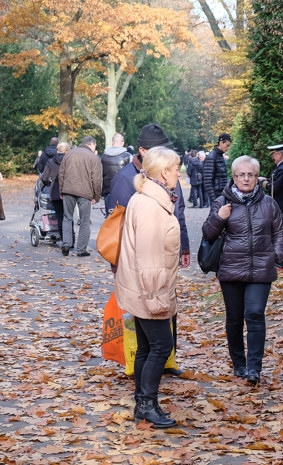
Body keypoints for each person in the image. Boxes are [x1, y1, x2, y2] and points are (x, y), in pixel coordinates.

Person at [106, 123, 189, 376]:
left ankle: (163, 366)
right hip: (145, 275)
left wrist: (184, 247)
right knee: (151, 335)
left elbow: (179, 214)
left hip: (161, 269)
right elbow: (117, 226)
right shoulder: (126, 181)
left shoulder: (165, 183)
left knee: (160, 331)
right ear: (143, 152)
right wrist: (118, 265)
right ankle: (144, 380)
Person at [202, 155, 283, 385]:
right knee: (235, 319)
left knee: (255, 314)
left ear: (257, 177)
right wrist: (219, 218)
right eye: (241, 175)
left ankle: (254, 368)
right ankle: (239, 364)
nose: (246, 179)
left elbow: (280, 231)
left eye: (250, 174)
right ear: (234, 177)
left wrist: (276, 254)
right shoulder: (222, 202)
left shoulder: (269, 203)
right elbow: (208, 234)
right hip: (230, 269)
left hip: (261, 268)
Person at [114, 146, 181, 428]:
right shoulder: (151, 205)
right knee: (162, 345)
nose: (179, 173)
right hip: (149, 290)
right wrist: (156, 296)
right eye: (176, 169)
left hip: (140, 288)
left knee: (146, 347)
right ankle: (147, 405)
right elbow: (150, 258)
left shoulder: (147, 198)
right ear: (164, 173)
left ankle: (142, 404)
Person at [58, 136, 102, 257]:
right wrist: (96, 196)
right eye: (95, 146)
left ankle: (66, 244)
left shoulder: (69, 154)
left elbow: (61, 173)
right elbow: (96, 179)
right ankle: (81, 249)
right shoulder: (93, 157)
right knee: (84, 221)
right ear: (92, 144)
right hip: (85, 193)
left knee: (67, 217)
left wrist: (61, 190)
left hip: (68, 190)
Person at [41, 142, 71, 241]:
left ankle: (64, 239)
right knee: (68, 216)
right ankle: (70, 240)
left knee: (59, 216)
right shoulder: (69, 160)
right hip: (68, 190)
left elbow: (44, 177)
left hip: (55, 190)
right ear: (66, 151)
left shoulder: (50, 161)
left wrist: (48, 183)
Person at [259, 144, 283, 218]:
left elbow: (274, 188)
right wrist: (266, 179)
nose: (272, 158)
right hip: (278, 204)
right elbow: (277, 180)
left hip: (279, 204)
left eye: (273, 155)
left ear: (279, 155)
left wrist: (262, 182)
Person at [101, 133, 131, 214]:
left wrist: (101, 192)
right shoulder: (128, 156)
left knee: (109, 217)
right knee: (123, 217)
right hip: (124, 192)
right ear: (122, 143)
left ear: (112, 142)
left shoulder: (103, 156)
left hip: (108, 191)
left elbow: (100, 176)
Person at [203, 133, 231, 203]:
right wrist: (214, 199)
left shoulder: (220, 156)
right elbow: (207, 180)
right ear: (221, 143)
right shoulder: (212, 156)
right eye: (227, 145)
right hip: (216, 196)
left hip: (221, 195)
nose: (228, 148)